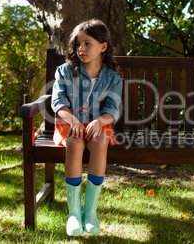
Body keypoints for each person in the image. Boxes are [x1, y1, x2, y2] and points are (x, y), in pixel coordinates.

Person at [51, 19, 123, 236]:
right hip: (69, 123)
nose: (81, 49)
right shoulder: (65, 71)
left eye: (87, 43)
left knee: (100, 142)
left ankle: (90, 212)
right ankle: (73, 213)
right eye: (78, 44)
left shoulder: (112, 78)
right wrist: (72, 120)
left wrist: (100, 121)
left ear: (103, 47)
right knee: (74, 142)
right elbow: (58, 102)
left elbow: (112, 109)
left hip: (98, 124)